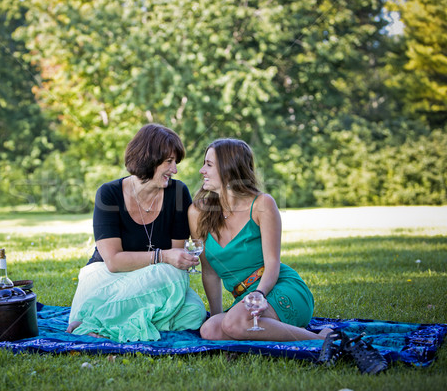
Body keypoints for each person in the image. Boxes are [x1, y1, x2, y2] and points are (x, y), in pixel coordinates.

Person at [66, 123, 206, 342]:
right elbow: (113, 261)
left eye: (175, 162)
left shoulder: (178, 192)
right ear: (149, 158)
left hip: (153, 283)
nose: (175, 170)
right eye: (169, 162)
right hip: (107, 278)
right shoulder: (109, 193)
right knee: (171, 276)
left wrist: (170, 259)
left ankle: (112, 324)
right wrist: (162, 256)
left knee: (195, 313)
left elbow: (176, 257)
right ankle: (95, 322)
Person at [188, 138, 331, 342]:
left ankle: (324, 340)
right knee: (210, 330)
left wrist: (260, 294)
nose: (202, 170)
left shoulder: (262, 204)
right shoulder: (197, 212)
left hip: (277, 287)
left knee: (232, 324)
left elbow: (273, 263)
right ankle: (243, 326)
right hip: (245, 301)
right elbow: (210, 272)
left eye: (209, 165)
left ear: (229, 169)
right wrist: (216, 315)